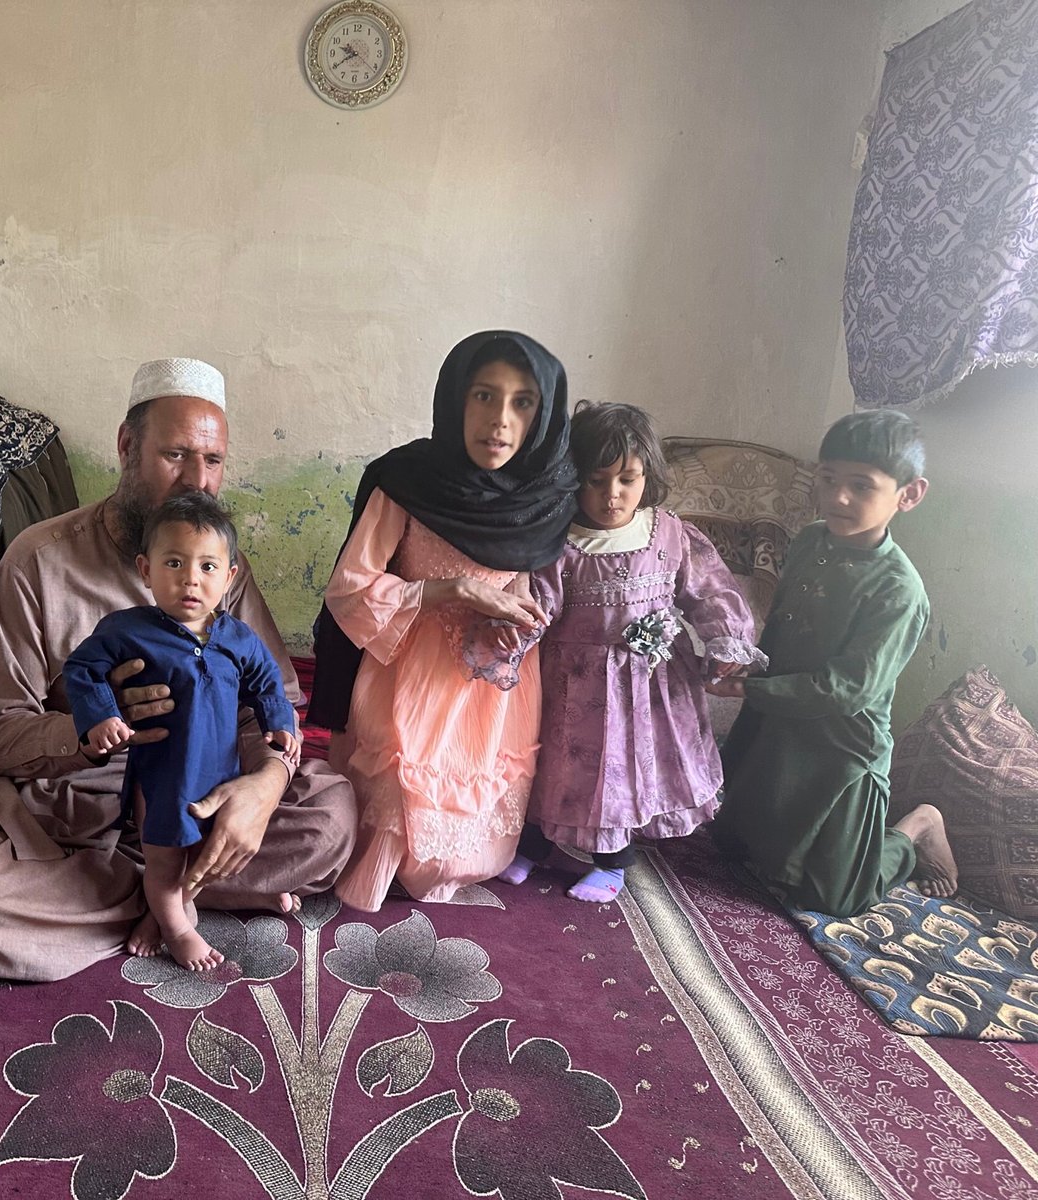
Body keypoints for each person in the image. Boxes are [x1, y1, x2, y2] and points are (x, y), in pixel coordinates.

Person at [0, 358, 356, 982]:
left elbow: (273, 698)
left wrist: (264, 789)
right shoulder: (39, 561)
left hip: (201, 790)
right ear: (127, 446)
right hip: (74, 807)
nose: (197, 482)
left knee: (332, 815)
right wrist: (87, 733)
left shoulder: (218, 566)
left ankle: (155, 896)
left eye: (213, 462)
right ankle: (182, 894)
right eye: (176, 455)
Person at [308, 331, 578, 911]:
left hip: (493, 680)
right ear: (455, 397)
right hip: (408, 666)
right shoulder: (407, 481)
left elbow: (529, 586)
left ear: (545, 411)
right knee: (403, 786)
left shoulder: (547, 495)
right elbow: (349, 588)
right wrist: (452, 589)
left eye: (522, 402)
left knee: (475, 774)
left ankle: (460, 862)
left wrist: (517, 625)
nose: (499, 420)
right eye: (483, 395)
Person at [504, 402, 765, 902]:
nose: (612, 495)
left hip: (652, 689)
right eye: (596, 480)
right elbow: (536, 608)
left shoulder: (668, 533)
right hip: (574, 688)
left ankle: (613, 862)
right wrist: (506, 649)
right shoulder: (560, 542)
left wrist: (724, 638)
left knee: (625, 772)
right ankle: (533, 842)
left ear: (649, 476)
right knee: (559, 767)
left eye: (627, 479)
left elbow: (708, 591)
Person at [710, 410, 958, 915]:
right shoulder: (809, 541)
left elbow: (850, 690)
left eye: (862, 485)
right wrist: (749, 667)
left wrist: (753, 691)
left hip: (842, 744)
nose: (838, 498)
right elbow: (780, 629)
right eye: (828, 480)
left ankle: (916, 829)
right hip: (777, 721)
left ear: (908, 495)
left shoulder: (899, 590)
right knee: (731, 846)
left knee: (834, 897)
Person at [65, 493, 301, 970]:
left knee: (219, 845)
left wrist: (280, 722)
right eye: (174, 563)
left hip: (225, 777)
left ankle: (171, 906)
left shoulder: (237, 637)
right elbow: (82, 670)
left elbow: (267, 681)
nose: (191, 578)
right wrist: (102, 716)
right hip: (166, 777)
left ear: (230, 576)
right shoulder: (125, 630)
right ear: (146, 569)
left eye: (208, 567)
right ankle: (175, 927)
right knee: (166, 859)